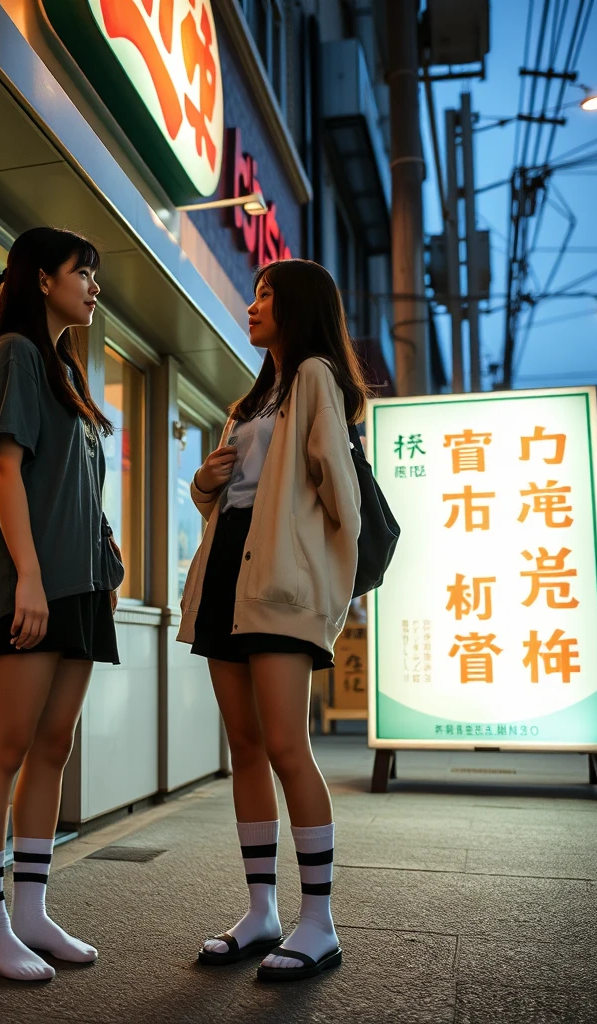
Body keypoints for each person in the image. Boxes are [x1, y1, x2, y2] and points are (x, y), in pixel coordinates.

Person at [178, 258, 368, 982]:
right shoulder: (251, 399)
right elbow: (227, 496)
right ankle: (261, 910)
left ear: (296, 307)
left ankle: (318, 921)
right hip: (230, 571)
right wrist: (203, 483)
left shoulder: (316, 375)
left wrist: (335, 589)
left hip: (283, 581)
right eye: (254, 293)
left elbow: (337, 491)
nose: (253, 306)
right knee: (246, 746)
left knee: (289, 746)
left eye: (264, 296)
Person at [0, 227, 124, 982]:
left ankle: (32, 911)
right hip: (32, 583)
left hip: (80, 583)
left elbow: (70, 483)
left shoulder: (61, 367)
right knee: (5, 746)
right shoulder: (17, 355)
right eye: (81, 272)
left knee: (53, 745)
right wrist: (27, 575)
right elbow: (3, 469)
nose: (93, 286)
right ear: (39, 279)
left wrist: (106, 552)